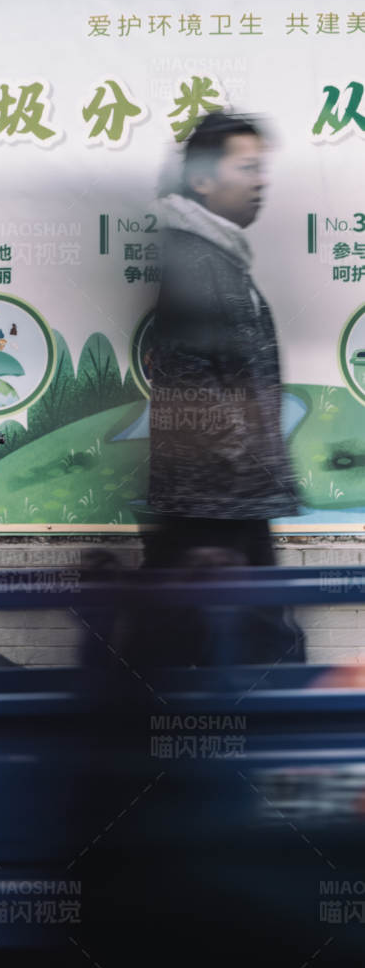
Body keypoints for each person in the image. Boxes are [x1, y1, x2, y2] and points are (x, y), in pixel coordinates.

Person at [140, 110, 304, 663]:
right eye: (248, 167)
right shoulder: (194, 260)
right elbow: (196, 394)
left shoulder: (218, 256)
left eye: (263, 167)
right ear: (204, 179)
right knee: (261, 649)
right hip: (217, 509)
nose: (261, 181)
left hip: (226, 503)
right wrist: (251, 470)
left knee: (211, 649)